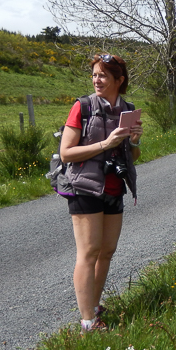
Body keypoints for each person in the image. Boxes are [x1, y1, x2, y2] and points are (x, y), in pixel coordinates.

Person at [60, 54, 143, 332]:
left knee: (107, 251)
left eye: (103, 75)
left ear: (119, 81)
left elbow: (134, 156)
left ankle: (94, 307)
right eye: (95, 74)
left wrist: (133, 141)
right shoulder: (82, 107)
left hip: (114, 187)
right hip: (84, 186)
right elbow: (66, 153)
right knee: (89, 251)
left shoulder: (127, 109)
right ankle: (87, 322)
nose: (97, 80)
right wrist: (105, 143)